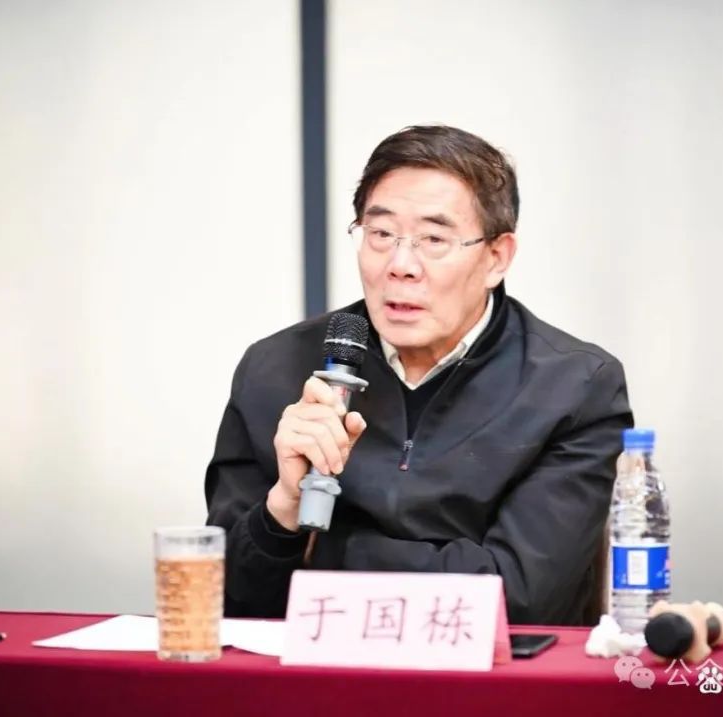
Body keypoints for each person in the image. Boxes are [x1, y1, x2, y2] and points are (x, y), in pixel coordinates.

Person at [205, 125, 633, 625]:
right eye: (381, 234)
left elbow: (516, 597)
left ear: (496, 257)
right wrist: (283, 509)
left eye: (433, 239)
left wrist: (321, 551)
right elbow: (222, 596)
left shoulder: (575, 387)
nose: (400, 265)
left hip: (493, 674)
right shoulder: (275, 369)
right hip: (314, 671)